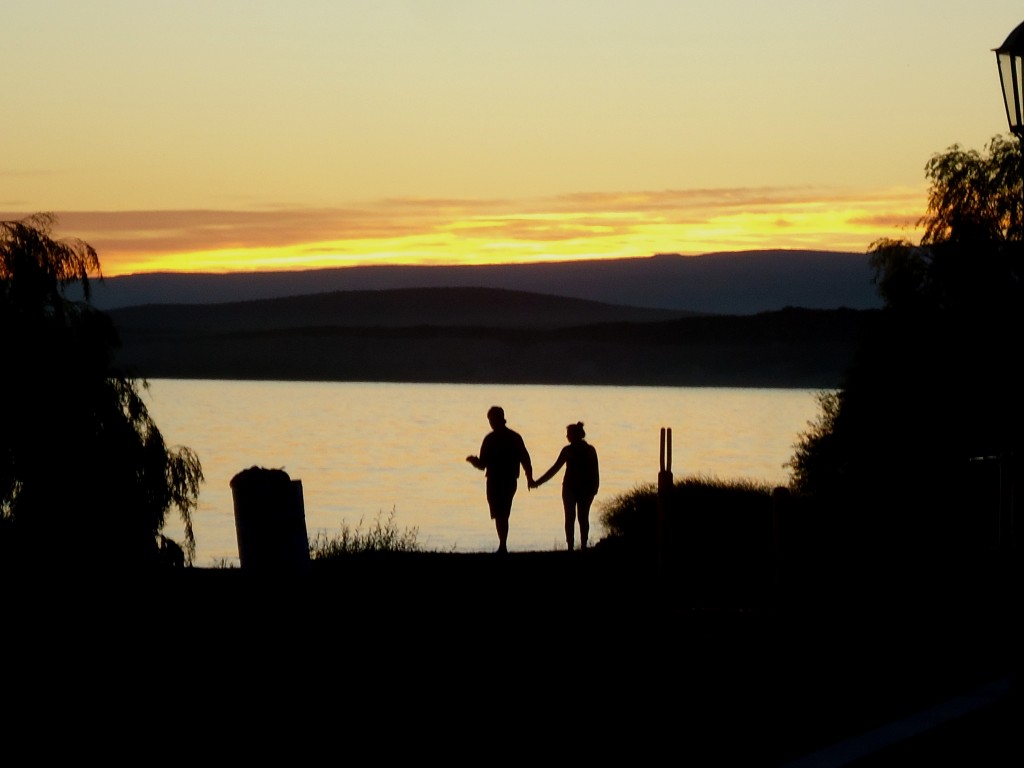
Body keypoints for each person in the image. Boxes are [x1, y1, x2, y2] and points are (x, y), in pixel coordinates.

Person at [466, 406, 534, 554]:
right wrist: (473, 461)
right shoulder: (500, 438)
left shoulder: (503, 438)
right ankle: (502, 544)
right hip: (498, 480)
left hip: (504, 480)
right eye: (490, 420)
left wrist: (529, 477)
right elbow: (483, 464)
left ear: (499, 419)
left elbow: (525, 459)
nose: (491, 423)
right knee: (500, 513)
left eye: (492, 419)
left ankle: (503, 545)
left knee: (501, 513)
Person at [530, 422, 599, 551]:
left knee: (581, 517)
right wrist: (538, 482)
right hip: (570, 488)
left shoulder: (589, 450)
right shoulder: (568, 450)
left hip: (585, 489)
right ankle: (571, 546)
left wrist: (594, 488)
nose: (567, 436)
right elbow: (555, 469)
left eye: (569, 434)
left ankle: (582, 544)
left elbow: (595, 471)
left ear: (576, 435)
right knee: (572, 517)